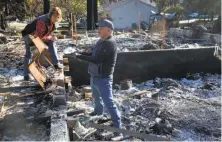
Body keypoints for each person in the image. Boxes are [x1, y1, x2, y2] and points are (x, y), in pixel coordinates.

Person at [75, 19, 122, 139]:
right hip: (95, 76)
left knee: (109, 103)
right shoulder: (101, 41)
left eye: (101, 28)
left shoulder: (109, 43)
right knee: (96, 98)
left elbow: (96, 59)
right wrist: (79, 53)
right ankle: (97, 113)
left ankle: (118, 129)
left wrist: (79, 57)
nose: (99, 30)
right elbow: (92, 54)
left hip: (103, 79)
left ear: (109, 30)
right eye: (98, 27)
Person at [21, 7, 63, 81]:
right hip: (29, 35)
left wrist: (51, 37)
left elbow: (46, 34)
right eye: (55, 17)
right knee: (29, 54)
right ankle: (26, 75)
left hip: (38, 36)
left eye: (58, 17)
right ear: (51, 14)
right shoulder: (42, 21)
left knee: (51, 42)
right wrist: (50, 37)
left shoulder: (52, 23)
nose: (56, 19)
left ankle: (55, 63)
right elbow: (37, 37)